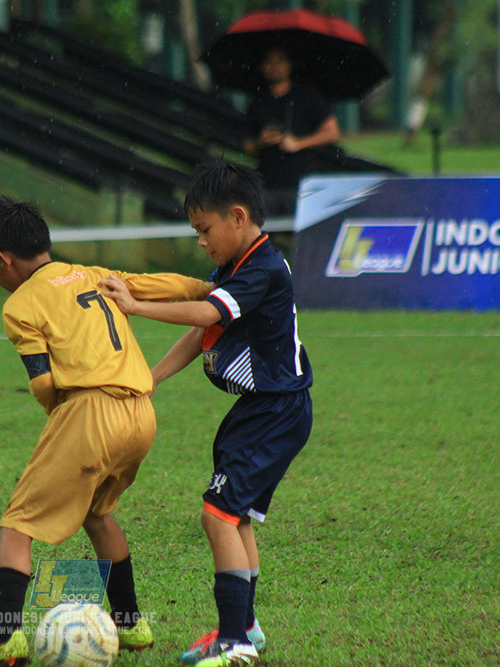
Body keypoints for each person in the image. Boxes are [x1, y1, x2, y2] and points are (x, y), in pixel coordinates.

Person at [0, 195, 212, 666]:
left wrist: (62, 417)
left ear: (3, 260)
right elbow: (163, 286)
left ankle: (6, 640)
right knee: (96, 512)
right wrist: (209, 286)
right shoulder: (92, 274)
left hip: (89, 411)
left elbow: (42, 381)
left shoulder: (20, 304)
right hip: (141, 413)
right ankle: (131, 625)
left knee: (17, 525)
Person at [99, 160, 313, 666]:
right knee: (233, 518)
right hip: (260, 409)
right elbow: (203, 335)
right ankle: (246, 629)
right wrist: (149, 379)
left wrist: (134, 306)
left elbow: (205, 313)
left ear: (237, 217)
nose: (200, 240)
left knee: (217, 515)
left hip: (275, 411)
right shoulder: (234, 268)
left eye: (204, 229)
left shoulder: (261, 266)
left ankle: (235, 645)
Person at [242, 47, 340, 216]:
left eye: (280, 61)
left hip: (302, 184)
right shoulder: (257, 102)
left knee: (301, 238)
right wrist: (262, 142)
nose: (274, 67)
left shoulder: (307, 96)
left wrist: (299, 143)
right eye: (269, 62)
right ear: (261, 67)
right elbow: (247, 146)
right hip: (268, 184)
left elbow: (332, 132)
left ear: (290, 65)